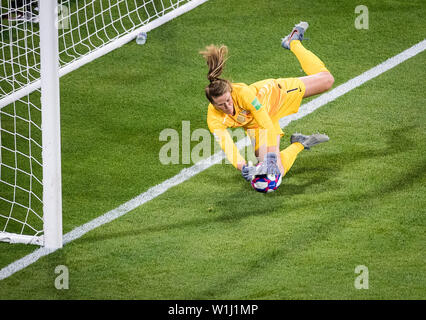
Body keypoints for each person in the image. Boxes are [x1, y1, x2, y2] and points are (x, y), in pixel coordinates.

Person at [201, 22, 334, 182]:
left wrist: (270, 156)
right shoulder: (214, 119)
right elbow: (227, 145)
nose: (227, 107)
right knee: (274, 173)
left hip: (278, 96)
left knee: (327, 80)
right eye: (221, 105)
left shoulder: (243, 92)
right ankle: (300, 143)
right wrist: (243, 166)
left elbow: (264, 119)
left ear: (230, 92)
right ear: (212, 104)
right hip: (255, 125)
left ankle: (293, 42)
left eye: (228, 101)